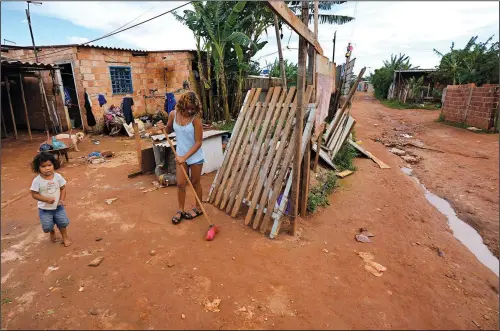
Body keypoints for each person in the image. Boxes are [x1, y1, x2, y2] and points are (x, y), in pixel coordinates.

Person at [157, 91, 205, 224]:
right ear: (182, 105)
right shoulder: (173, 114)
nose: (190, 111)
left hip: (194, 156)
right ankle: (180, 209)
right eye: (188, 108)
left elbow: (198, 142)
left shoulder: (195, 120)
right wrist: (161, 128)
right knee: (180, 184)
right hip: (180, 156)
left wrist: (185, 157)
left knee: (195, 183)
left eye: (193, 109)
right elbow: (168, 130)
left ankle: (198, 208)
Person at [30, 152, 72, 247]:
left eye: (49, 165)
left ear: (54, 164)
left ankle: (65, 237)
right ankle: (52, 230)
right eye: (43, 166)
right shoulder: (37, 181)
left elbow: (63, 188)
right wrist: (45, 199)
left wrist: (62, 199)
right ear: (38, 168)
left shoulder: (58, 177)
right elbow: (34, 194)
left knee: (63, 223)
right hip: (45, 209)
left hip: (58, 207)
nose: (47, 168)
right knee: (47, 227)